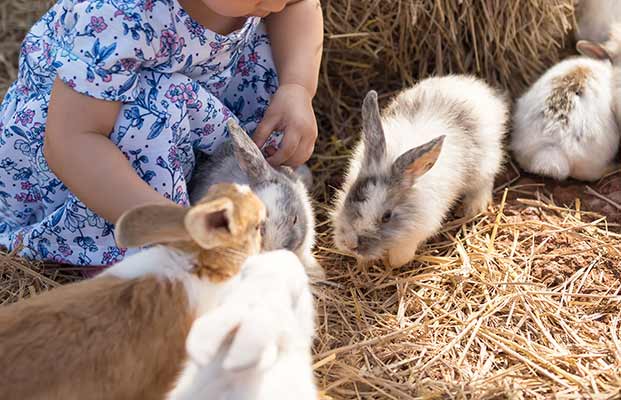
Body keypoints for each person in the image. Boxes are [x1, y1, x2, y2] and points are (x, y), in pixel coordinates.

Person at [0, 0, 323, 265]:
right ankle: (130, 249)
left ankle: (222, 177)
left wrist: (297, 87)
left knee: (276, 52)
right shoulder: (119, 14)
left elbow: (299, 5)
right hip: (91, 155)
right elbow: (71, 145)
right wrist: (173, 226)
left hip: (196, 101)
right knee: (157, 109)